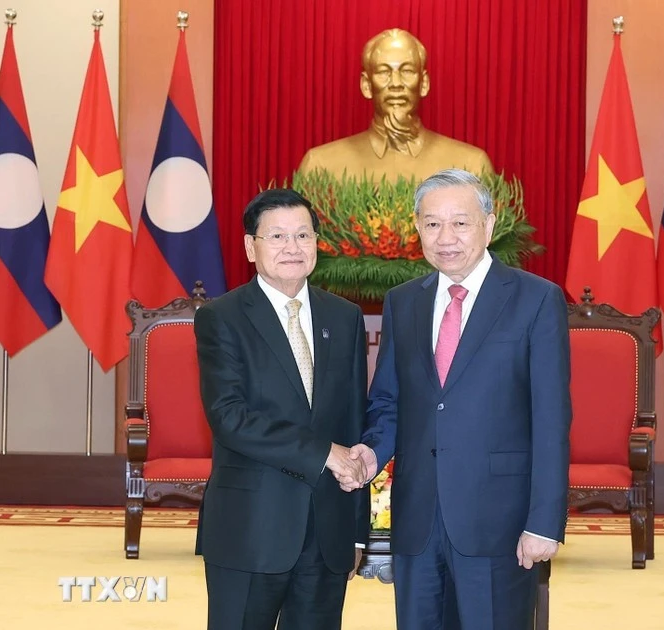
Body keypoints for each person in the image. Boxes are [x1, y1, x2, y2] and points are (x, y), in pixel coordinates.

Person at [343, 169, 572, 629]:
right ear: (418, 230)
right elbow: (389, 401)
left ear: (488, 225)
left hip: (499, 522)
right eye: (431, 224)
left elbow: (551, 419)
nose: (445, 237)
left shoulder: (536, 299)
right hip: (417, 520)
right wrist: (369, 452)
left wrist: (544, 522)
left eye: (460, 223)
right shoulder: (403, 301)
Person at [193, 188, 370, 630]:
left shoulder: (344, 317)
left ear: (316, 244)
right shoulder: (222, 318)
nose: (292, 248)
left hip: (328, 532)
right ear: (251, 247)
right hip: (250, 529)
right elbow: (229, 417)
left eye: (303, 236)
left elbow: (354, 424)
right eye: (277, 237)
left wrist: (356, 531)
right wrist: (323, 453)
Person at [298, 28, 493, 183]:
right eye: (384, 72)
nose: (396, 83)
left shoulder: (470, 165)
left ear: (424, 83)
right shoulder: (320, 166)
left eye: (407, 71)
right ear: (366, 85)